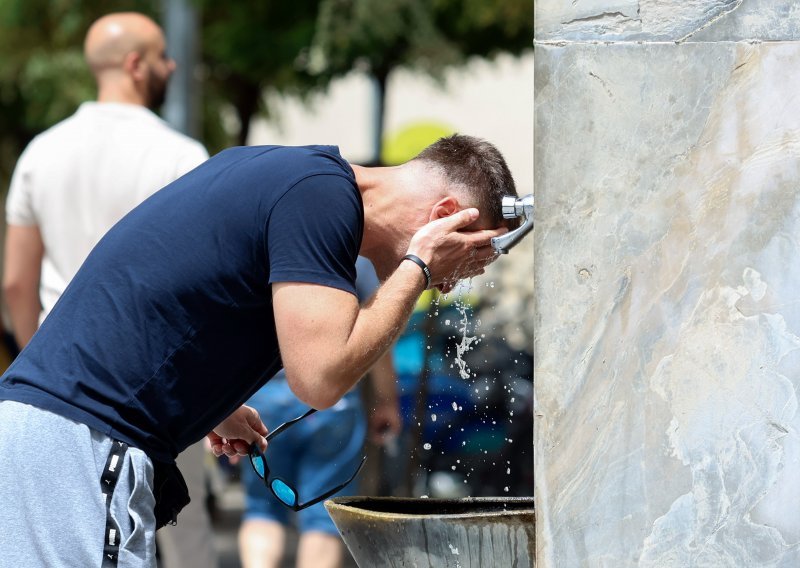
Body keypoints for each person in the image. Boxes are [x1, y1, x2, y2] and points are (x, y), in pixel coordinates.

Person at [0, 133, 516, 567]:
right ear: (443, 217)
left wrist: (213, 403)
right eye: (463, 259)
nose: (448, 287)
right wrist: (419, 267)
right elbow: (319, 379)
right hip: (78, 443)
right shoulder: (322, 199)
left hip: (60, 435)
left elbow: (174, 290)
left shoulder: (291, 175)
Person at [0, 12, 216, 568]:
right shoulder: (180, 156)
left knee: (50, 543)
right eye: (164, 55)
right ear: (135, 63)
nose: (173, 65)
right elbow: (197, 286)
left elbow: (16, 281)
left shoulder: (40, 154)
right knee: (183, 536)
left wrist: (38, 368)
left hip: (55, 389)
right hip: (156, 385)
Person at [238, 257, 401, 568]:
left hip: (264, 402)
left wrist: (225, 411)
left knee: (261, 509)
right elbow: (378, 338)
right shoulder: (357, 260)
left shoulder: (264, 252)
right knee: (323, 517)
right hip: (331, 404)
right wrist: (386, 402)